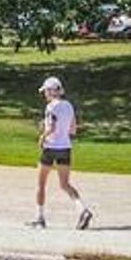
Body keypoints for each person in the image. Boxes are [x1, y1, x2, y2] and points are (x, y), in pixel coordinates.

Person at [31, 76, 92, 229]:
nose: (44, 94)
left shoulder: (51, 107)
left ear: (51, 91)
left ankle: (40, 217)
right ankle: (82, 209)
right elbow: (73, 129)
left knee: (41, 183)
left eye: (46, 91)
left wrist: (42, 136)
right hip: (65, 148)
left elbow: (50, 127)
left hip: (51, 148)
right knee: (65, 184)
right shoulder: (69, 106)